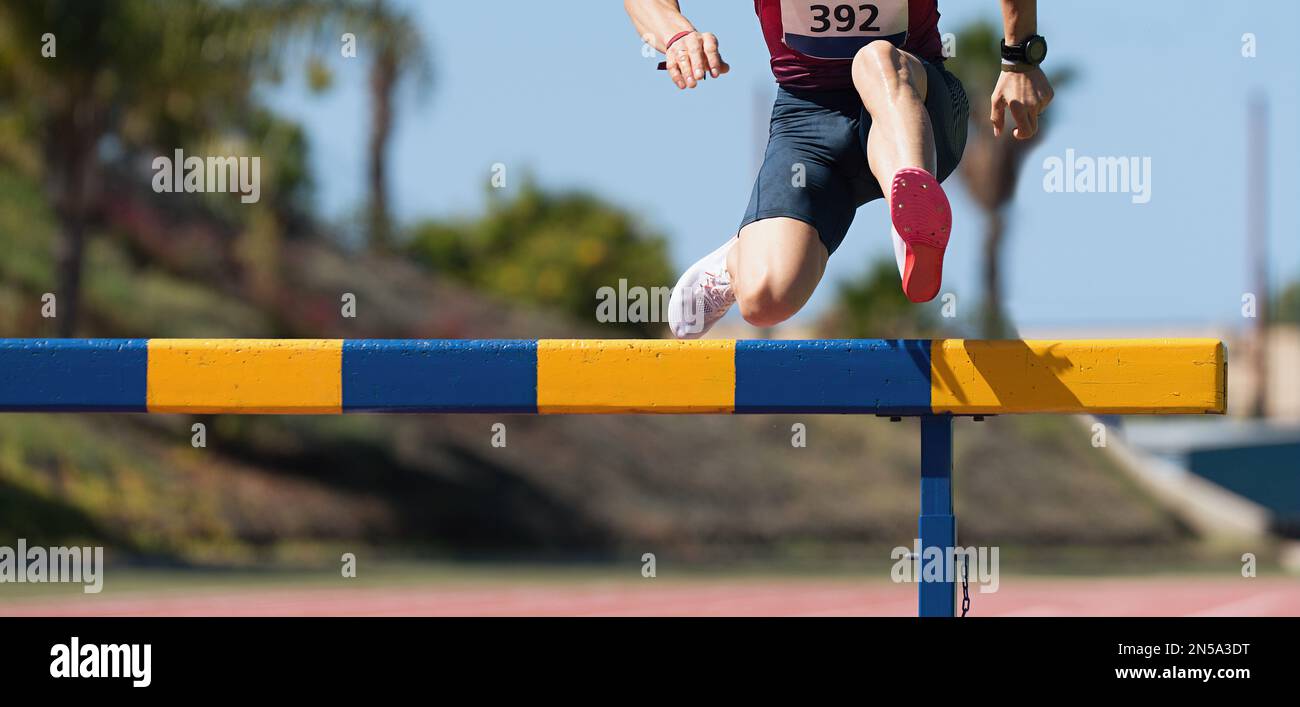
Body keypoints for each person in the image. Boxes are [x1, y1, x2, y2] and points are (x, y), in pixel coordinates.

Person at [624, 0, 1054, 338]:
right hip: (808, 123)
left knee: (875, 59)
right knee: (766, 300)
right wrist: (676, 35)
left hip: (920, 107)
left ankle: (912, 218)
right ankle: (735, 260)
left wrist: (1020, 57)